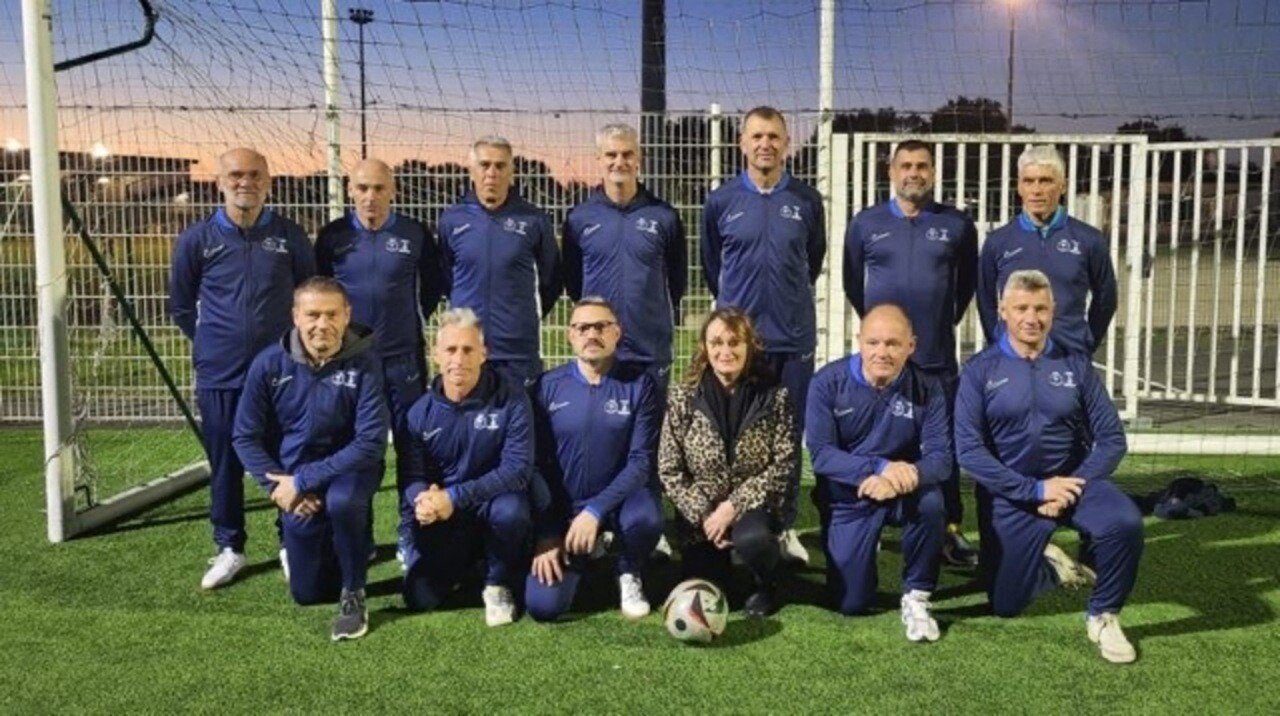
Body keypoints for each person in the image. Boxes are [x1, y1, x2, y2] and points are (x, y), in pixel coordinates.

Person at [956, 269, 1142, 664]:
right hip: (1013, 495)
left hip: (1074, 483)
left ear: (1053, 311)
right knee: (1006, 604)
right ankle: (1054, 568)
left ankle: (1104, 615)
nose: (1031, 318)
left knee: (1124, 522)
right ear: (1002, 311)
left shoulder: (1075, 365)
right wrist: (1036, 490)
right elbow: (969, 451)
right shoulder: (979, 371)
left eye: (1040, 309)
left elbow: (1112, 438)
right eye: (1021, 308)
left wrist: (1070, 486)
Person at [168, 147, 316, 590]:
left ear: (268, 181)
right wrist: (213, 344)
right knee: (225, 461)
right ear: (220, 182)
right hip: (221, 374)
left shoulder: (289, 235)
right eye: (235, 175)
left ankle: (290, 542)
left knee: (286, 456)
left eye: (254, 174)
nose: (244, 182)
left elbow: (308, 296)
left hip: (282, 373)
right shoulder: (197, 239)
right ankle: (230, 546)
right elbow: (181, 306)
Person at [843, 140, 979, 567]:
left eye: (922, 166)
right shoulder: (865, 224)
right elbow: (853, 283)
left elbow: (966, 286)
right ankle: (869, 518)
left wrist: (938, 322)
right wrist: (883, 335)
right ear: (892, 172)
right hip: (883, 361)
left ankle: (949, 529)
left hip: (936, 358)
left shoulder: (956, 224)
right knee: (873, 438)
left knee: (943, 446)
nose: (913, 173)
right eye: (905, 165)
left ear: (933, 172)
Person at [701, 106, 825, 565]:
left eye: (773, 136)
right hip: (741, 346)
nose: (765, 144)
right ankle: (738, 524)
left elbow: (812, 262)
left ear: (786, 143)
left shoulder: (807, 201)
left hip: (792, 338)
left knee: (787, 438)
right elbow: (713, 266)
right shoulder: (721, 201)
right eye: (756, 136)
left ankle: (784, 524)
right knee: (736, 438)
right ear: (742, 143)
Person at [232, 277, 388, 641]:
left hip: (351, 470)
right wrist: (278, 487)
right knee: (308, 593)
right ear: (295, 317)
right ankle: (343, 546)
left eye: (332, 314)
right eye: (313, 315)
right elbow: (244, 436)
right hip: (295, 479)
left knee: (344, 502)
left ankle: (354, 592)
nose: (323, 324)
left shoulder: (366, 364)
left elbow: (370, 443)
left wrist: (304, 481)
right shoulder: (268, 365)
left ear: (347, 315)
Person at [315, 158, 442, 562]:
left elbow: (432, 289)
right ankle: (361, 537)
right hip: (351, 363)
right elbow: (320, 294)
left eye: (379, 188)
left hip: (403, 361)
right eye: (363, 188)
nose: (370, 197)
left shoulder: (414, 233)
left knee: (411, 449)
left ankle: (409, 533)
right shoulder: (333, 237)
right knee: (357, 450)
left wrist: (402, 324)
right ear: (351, 190)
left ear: (393, 190)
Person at [805, 304, 949, 642]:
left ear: (911, 345)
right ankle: (858, 552)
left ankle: (917, 595)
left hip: (900, 490)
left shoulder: (928, 387)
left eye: (893, 344)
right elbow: (822, 456)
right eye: (873, 343)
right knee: (851, 603)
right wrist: (879, 468)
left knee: (931, 501)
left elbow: (941, 458)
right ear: (859, 341)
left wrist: (902, 478)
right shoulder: (827, 383)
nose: (881, 352)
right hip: (850, 495)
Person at [525, 298, 663, 622]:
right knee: (544, 607)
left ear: (617, 333)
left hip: (619, 503)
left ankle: (629, 570)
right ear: (570, 335)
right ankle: (586, 554)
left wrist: (596, 510)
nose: (592, 334)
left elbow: (641, 462)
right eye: (583, 327)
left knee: (647, 518)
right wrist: (547, 532)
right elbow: (535, 465)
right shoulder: (546, 387)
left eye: (601, 326)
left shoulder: (640, 385)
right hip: (566, 510)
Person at [658, 307, 796, 618]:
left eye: (735, 343)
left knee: (753, 540)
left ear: (749, 346)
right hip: (702, 519)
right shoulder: (682, 397)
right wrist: (707, 515)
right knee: (712, 589)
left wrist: (733, 506)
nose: (725, 351)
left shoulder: (775, 397)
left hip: (753, 509)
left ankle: (765, 583)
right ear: (704, 347)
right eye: (717, 342)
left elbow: (784, 464)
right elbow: (669, 469)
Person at [401, 308, 533, 627]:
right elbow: (412, 477)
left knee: (512, 511)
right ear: (435, 355)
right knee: (419, 598)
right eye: (450, 350)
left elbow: (518, 469)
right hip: (447, 514)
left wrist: (454, 496)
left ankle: (498, 582)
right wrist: (423, 500)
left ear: (483, 354)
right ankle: (472, 565)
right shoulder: (419, 413)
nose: (458, 359)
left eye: (468, 350)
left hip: (492, 503)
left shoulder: (512, 399)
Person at [562, 123, 686, 393]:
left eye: (627, 154)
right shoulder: (579, 218)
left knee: (651, 421)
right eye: (611, 155)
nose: (620, 162)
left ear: (638, 158)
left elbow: (677, 282)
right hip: (599, 351)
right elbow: (574, 284)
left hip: (650, 352)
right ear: (598, 158)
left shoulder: (664, 216)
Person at [438, 136, 562, 390]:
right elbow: (444, 276)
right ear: (472, 170)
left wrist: (519, 317)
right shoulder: (452, 220)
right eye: (485, 165)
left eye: (500, 166)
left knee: (523, 414)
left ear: (511, 171)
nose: (492, 173)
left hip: (518, 350)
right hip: (467, 349)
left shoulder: (534, 220)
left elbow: (551, 281)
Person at [977, 145, 1118, 356]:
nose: (1036, 190)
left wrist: (1085, 342)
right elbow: (985, 299)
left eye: (1045, 181)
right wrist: (999, 342)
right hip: (1014, 361)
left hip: (1069, 357)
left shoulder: (1089, 239)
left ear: (1063, 186)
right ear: (1019, 187)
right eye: (1029, 181)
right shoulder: (998, 241)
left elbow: (1106, 298)